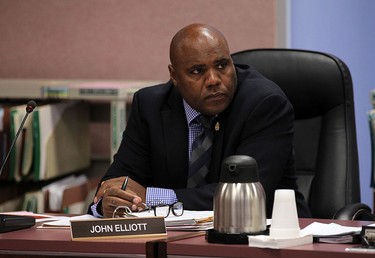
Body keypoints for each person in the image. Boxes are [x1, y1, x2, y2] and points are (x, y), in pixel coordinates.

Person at [88, 23, 311, 219]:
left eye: (222, 65)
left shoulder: (264, 104)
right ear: (174, 76)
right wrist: (109, 202)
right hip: (175, 244)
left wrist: (152, 197)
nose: (214, 80)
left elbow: (246, 195)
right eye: (197, 71)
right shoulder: (150, 106)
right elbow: (116, 182)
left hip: (265, 240)